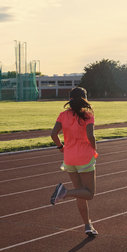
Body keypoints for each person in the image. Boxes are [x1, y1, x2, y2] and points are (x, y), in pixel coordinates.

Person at [50, 87, 98, 237]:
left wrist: (60, 147)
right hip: (84, 157)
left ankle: (87, 225)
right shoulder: (88, 115)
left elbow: (53, 134)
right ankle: (65, 192)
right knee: (89, 194)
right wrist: (94, 150)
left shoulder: (63, 115)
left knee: (81, 193)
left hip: (69, 158)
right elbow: (91, 136)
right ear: (84, 99)